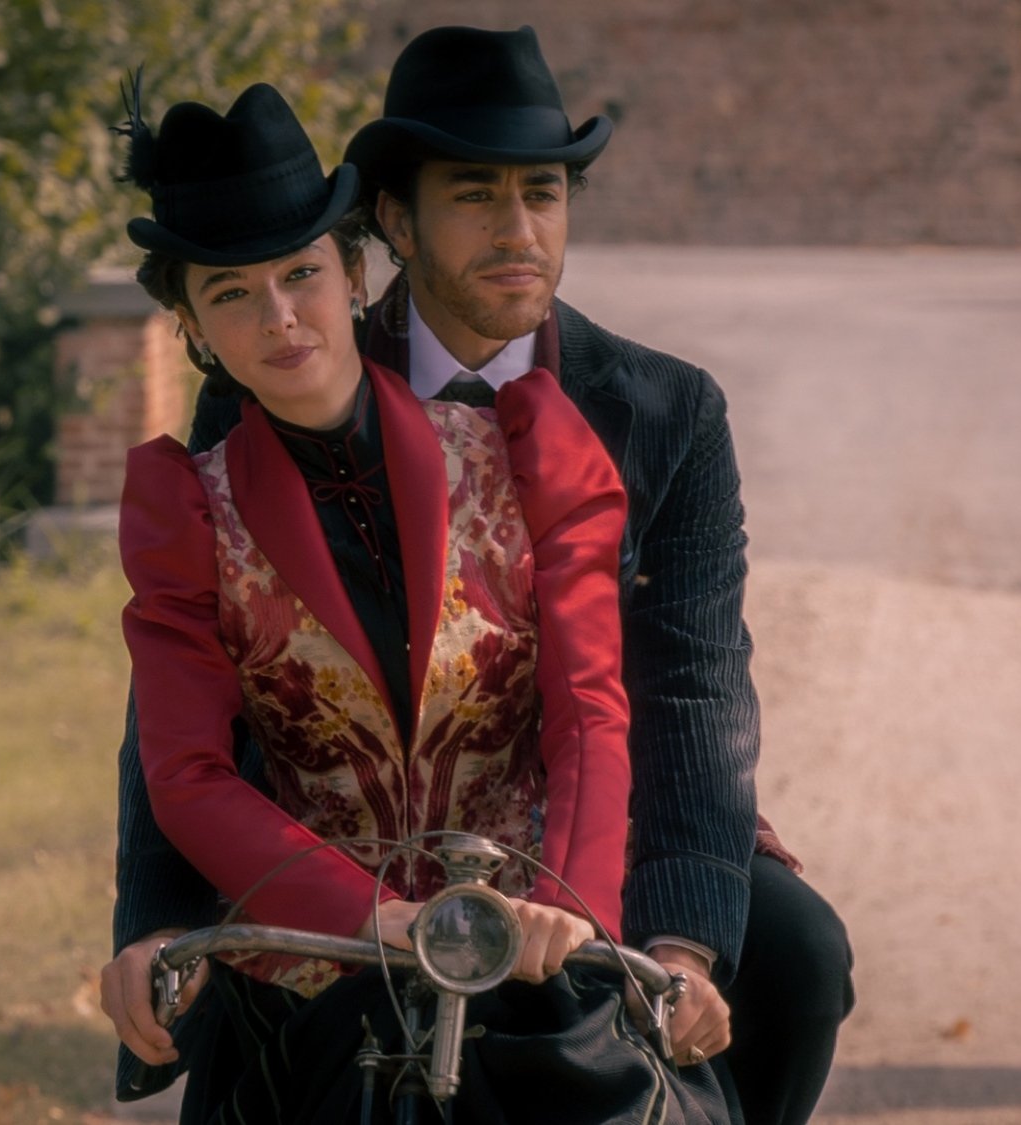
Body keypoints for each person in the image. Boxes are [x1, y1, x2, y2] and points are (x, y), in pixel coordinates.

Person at [103, 26, 856, 1125]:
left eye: (542, 194)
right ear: (392, 226)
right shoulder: (274, 369)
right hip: (341, 834)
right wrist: (155, 920)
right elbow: (179, 702)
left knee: (793, 958)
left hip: (594, 814)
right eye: (474, 197)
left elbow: (685, 684)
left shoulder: (664, 410)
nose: (518, 233)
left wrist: (670, 935)